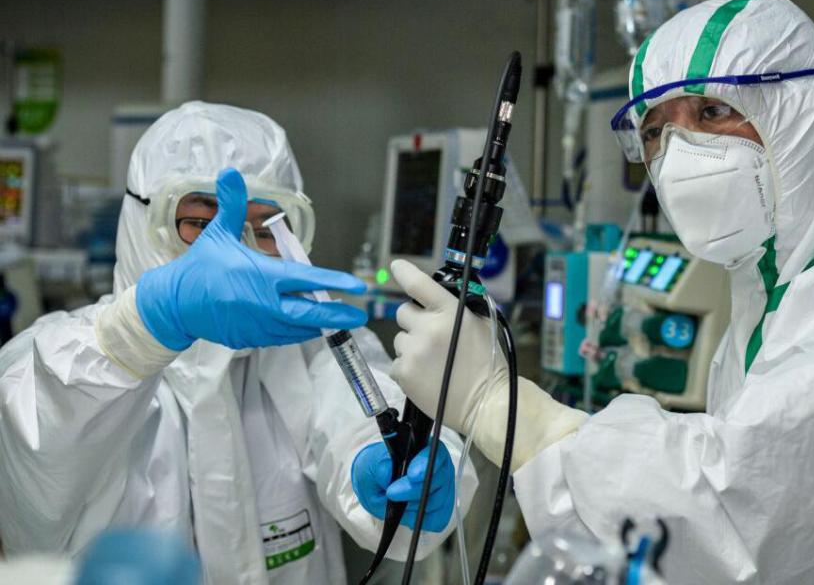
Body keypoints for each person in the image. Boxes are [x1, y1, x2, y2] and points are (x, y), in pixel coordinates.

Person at [389, 0, 814, 583]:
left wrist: (501, 406)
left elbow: (738, 523)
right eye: (657, 131)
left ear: (803, 113)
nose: (680, 155)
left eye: (713, 111)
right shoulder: (785, 281)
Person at [0, 102, 476, 584]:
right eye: (200, 224)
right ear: (142, 223)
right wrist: (147, 326)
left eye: (265, 228)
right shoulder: (73, 359)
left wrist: (391, 467)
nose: (238, 254)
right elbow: (29, 465)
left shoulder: (308, 349)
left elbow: (365, 413)